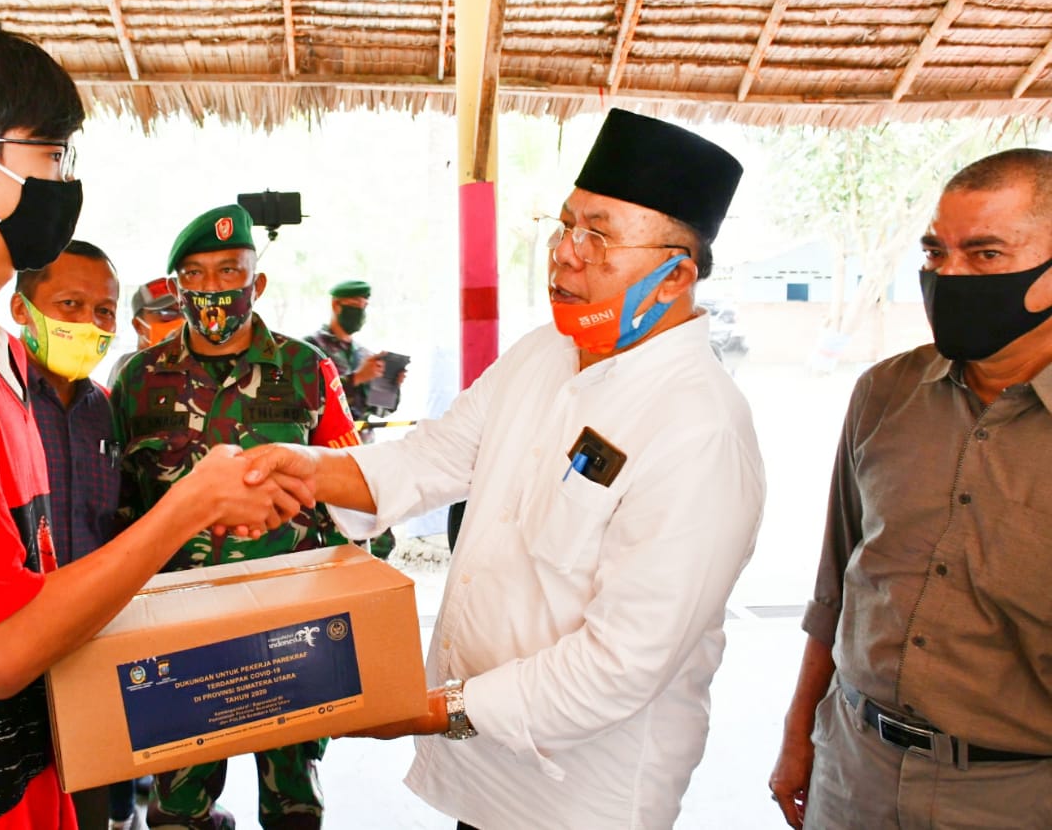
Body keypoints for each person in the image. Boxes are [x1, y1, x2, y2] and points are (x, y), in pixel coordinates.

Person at [0, 16, 309, 829]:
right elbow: (2, 652)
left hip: (27, 788)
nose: (64, 179)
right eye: (48, 155)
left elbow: (37, 592)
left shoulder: (3, 355)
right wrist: (192, 503)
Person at [244, 108, 766, 828]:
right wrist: (299, 468)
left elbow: (619, 667)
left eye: (600, 237)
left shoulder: (698, 428)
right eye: (565, 225)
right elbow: (432, 457)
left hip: (581, 799)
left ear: (676, 276)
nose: (565, 253)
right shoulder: (542, 354)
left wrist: (429, 712)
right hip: (484, 776)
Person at [769, 147, 1052, 829]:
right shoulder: (885, 392)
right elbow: (836, 583)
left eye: (984, 255)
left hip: (1013, 793)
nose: (947, 275)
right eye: (935, 252)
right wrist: (799, 732)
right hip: (854, 765)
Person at [112, 204, 360, 830]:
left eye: (229, 271)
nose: (213, 289)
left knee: (293, 803)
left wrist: (362, 604)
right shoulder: (138, 380)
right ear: (176, 288)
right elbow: (118, 507)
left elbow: (357, 488)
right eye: (194, 275)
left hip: (290, 623)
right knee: (177, 811)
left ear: (258, 281)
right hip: (178, 627)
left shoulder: (307, 370)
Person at [9, 240, 142, 830]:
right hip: (9, 660)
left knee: (89, 813)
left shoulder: (105, 411)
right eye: (69, 304)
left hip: (92, 657)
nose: (90, 324)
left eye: (104, 311)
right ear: (21, 310)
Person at [304, 280, 403, 559]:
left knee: (371, 533)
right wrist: (357, 378)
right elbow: (314, 398)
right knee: (335, 531)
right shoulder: (310, 349)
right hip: (326, 454)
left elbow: (378, 411)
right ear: (336, 305)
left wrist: (390, 387)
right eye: (355, 306)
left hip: (362, 452)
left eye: (364, 307)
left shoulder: (363, 353)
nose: (360, 312)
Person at [106, 276, 183, 386]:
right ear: (138, 325)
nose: (183, 321)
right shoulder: (129, 369)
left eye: (187, 313)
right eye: (168, 314)